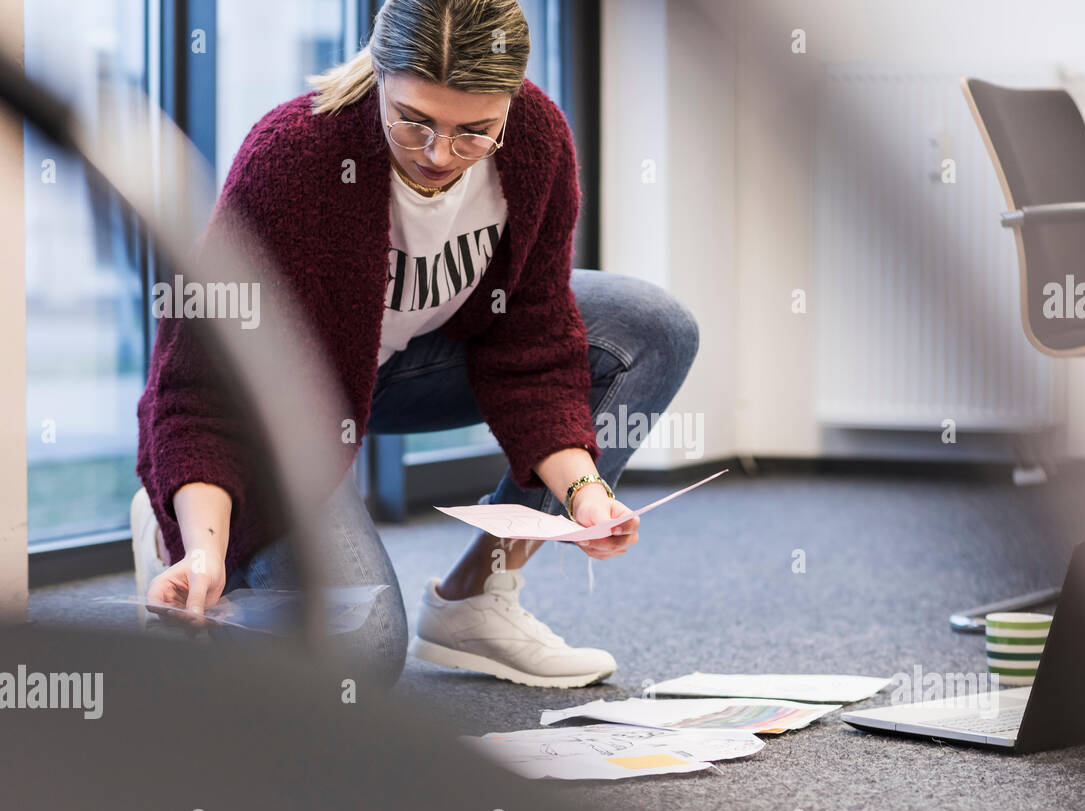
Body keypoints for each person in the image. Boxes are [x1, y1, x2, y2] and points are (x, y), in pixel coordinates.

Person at [131, 0, 699, 690]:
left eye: (474, 132)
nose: (439, 155)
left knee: (651, 327)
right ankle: (179, 525)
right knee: (359, 655)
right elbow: (203, 389)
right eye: (413, 120)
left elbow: (536, 343)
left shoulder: (537, 141)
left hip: (409, 366)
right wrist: (203, 544)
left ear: (511, 101)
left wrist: (583, 494)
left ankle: (476, 598)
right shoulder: (294, 158)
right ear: (379, 75)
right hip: (281, 412)